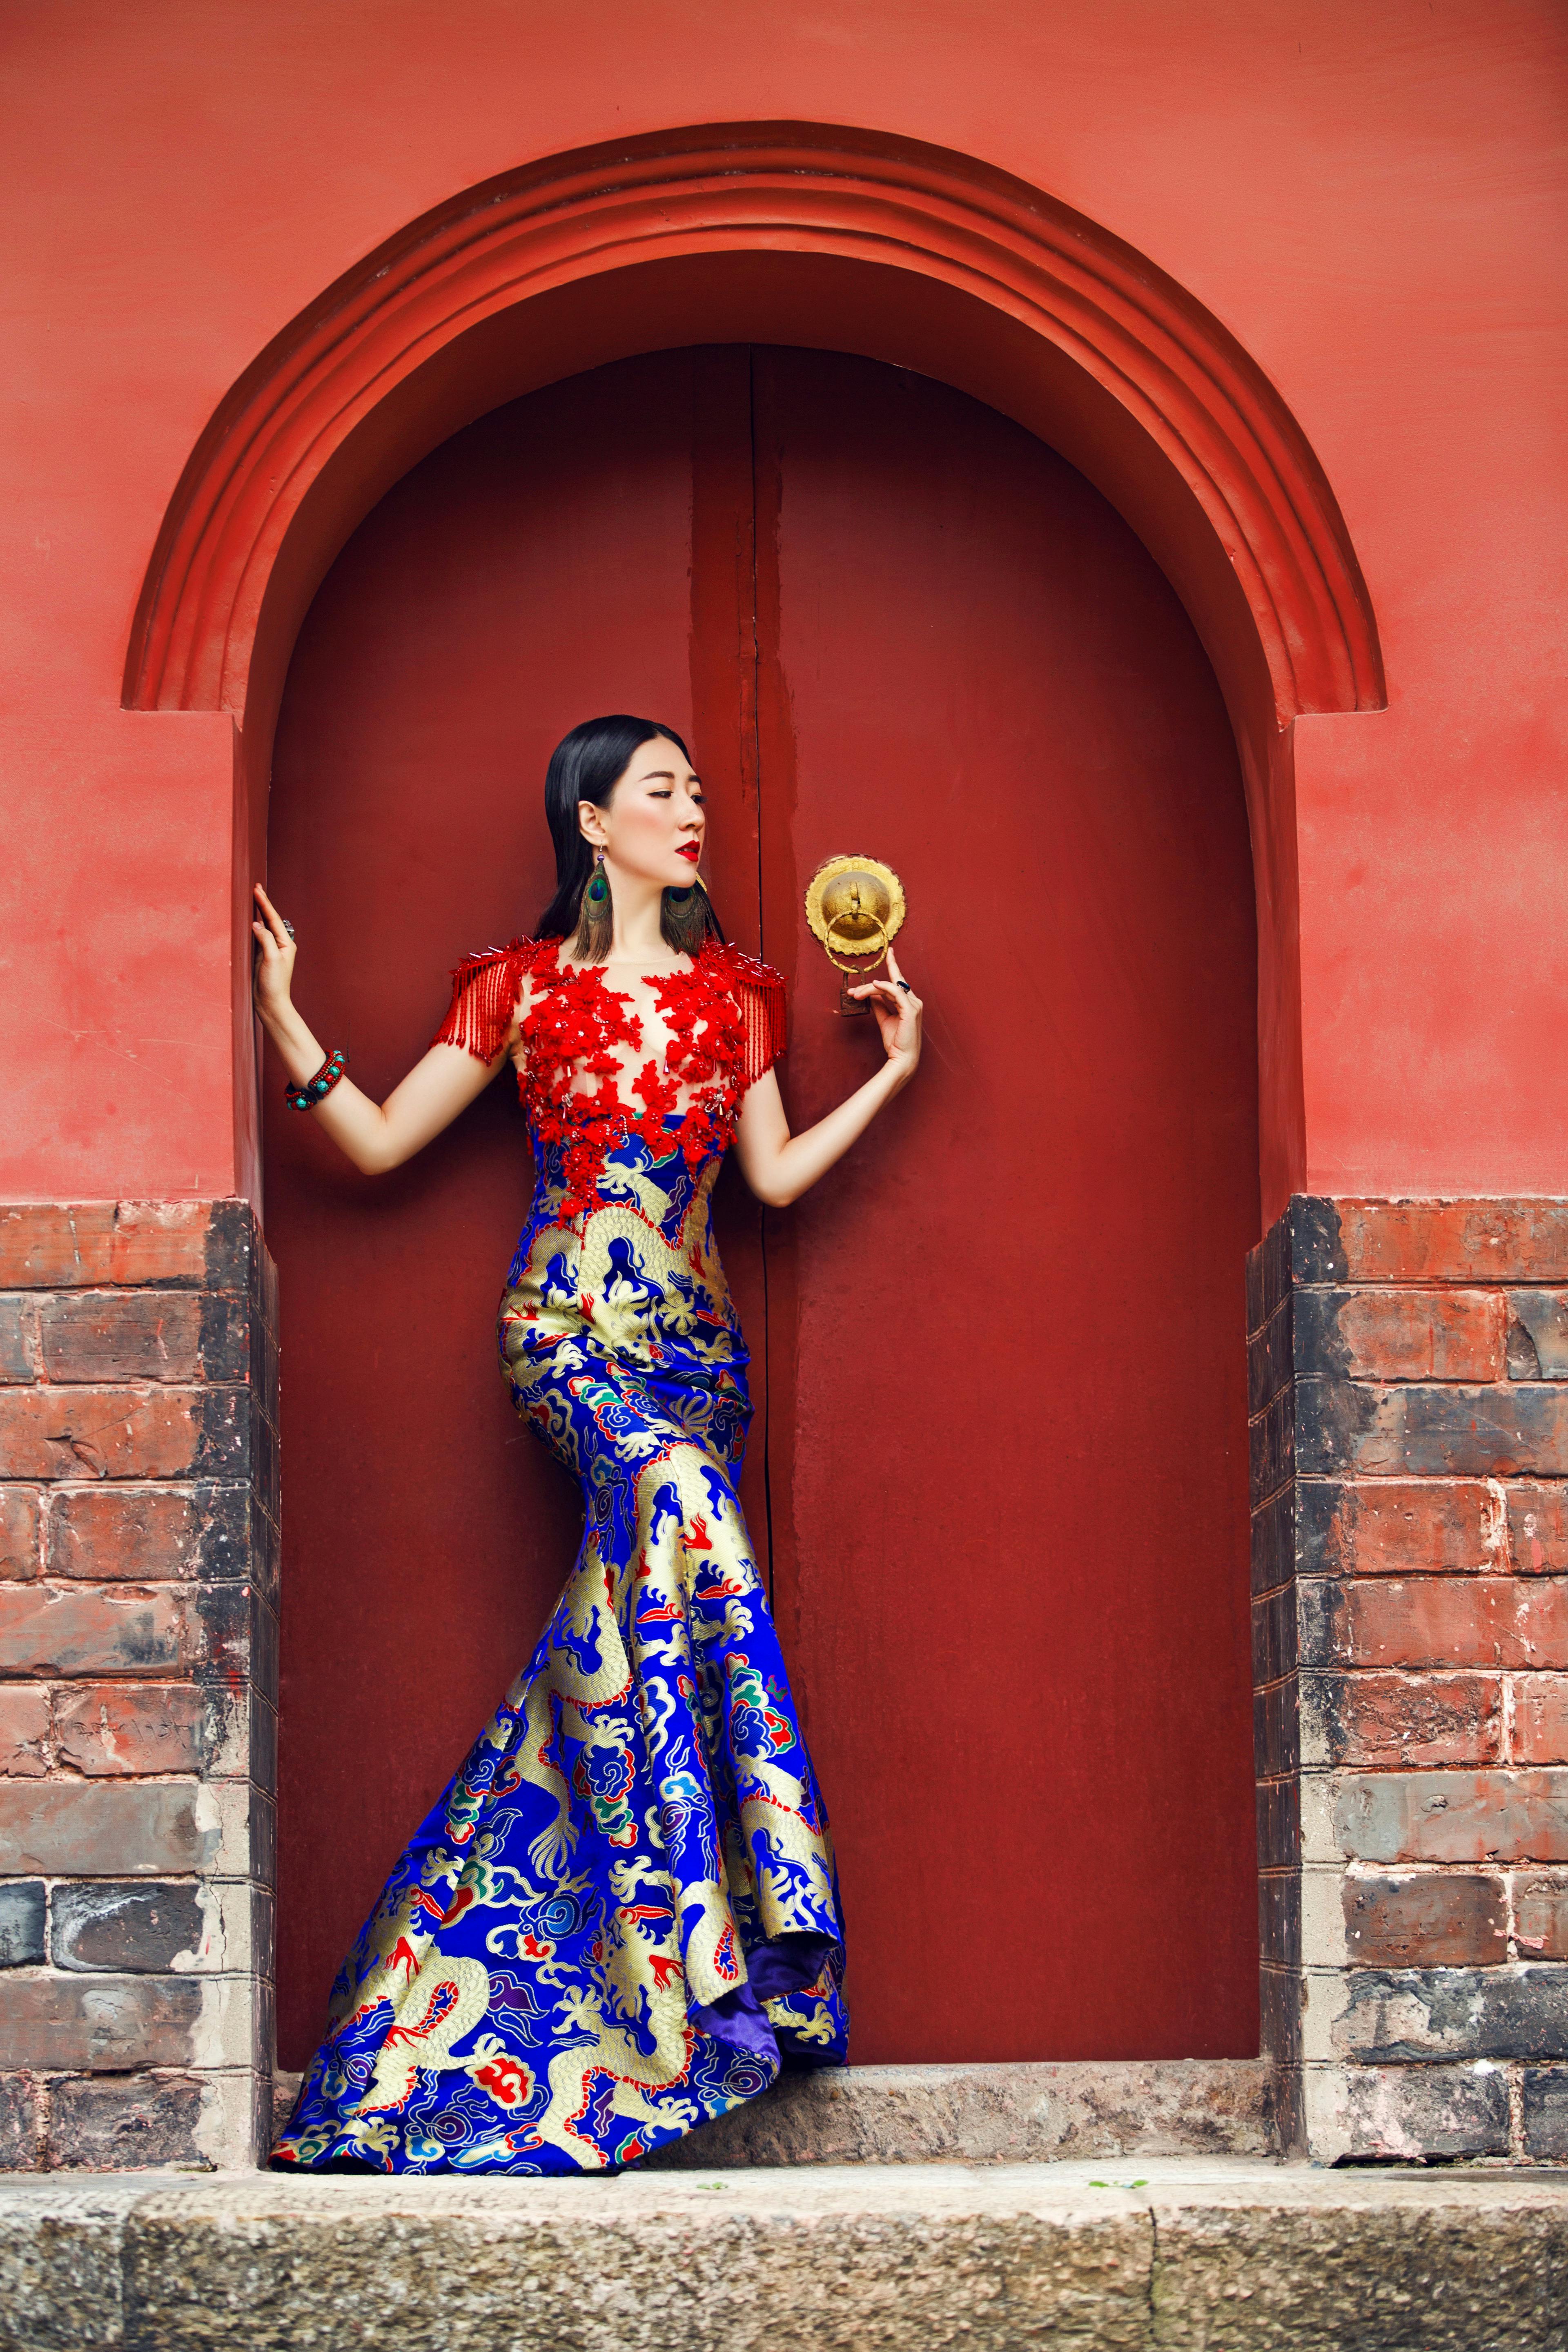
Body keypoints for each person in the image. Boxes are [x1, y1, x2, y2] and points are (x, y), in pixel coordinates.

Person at [258, 713, 922, 2174]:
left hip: (696, 1356)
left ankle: (499, 2019)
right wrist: (289, 1020)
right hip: (563, 1336)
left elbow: (776, 1182)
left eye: (694, 792)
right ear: (590, 818)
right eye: (662, 791)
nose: (692, 813)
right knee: (684, 1525)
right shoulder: (520, 991)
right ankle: (713, 1951)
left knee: (619, 1653)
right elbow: (373, 1143)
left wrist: (888, 1071)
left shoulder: (739, 997)